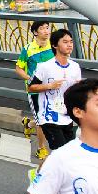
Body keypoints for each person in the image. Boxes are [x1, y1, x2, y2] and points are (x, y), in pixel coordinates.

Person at [28, 28, 82, 179]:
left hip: (67, 116)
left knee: (66, 153)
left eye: (71, 41)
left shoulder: (75, 67)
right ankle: (48, 181)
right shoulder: (45, 67)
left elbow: (75, 92)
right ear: (55, 45)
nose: (69, 45)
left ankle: (38, 173)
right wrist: (49, 86)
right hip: (49, 116)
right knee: (61, 152)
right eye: (65, 42)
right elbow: (31, 87)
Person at [16, 19, 55, 160]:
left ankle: (29, 123)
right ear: (35, 32)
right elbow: (18, 68)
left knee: (46, 118)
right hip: (35, 90)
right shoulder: (28, 49)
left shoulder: (53, 46)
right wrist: (29, 78)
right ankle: (41, 149)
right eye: (43, 28)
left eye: (47, 28)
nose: (46, 31)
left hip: (51, 88)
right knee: (42, 120)